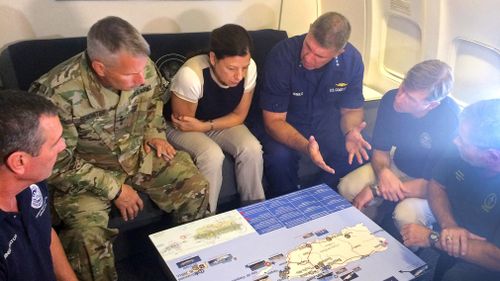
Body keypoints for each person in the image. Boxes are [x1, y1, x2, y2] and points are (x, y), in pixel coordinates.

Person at [29, 16, 209, 281]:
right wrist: (114, 189)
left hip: (137, 154)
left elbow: (153, 103)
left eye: (142, 69)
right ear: (100, 67)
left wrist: (154, 133)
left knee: (195, 186)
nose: (140, 78)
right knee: (86, 236)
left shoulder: (141, 66)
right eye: (130, 74)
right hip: (85, 175)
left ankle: (185, 268)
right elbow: (56, 163)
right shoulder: (56, 93)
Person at [258, 12, 371, 197]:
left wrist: (351, 131)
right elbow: (274, 121)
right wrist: (306, 147)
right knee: (279, 158)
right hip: (287, 123)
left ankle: (314, 197)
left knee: (362, 151)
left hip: (326, 123)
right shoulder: (282, 55)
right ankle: (288, 202)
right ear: (310, 29)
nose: (308, 58)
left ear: (338, 53)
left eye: (319, 55)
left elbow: (351, 109)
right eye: (308, 47)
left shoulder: (352, 60)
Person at [338, 60, 459, 229]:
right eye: (402, 88)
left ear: (431, 105)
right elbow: (381, 150)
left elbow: (434, 185)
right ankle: (366, 231)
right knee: (348, 187)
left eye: (410, 98)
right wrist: (384, 172)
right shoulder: (390, 99)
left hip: (429, 182)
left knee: (405, 215)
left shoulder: (450, 120)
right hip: (398, 163)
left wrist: (376, 190)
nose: (399, 98)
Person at [164, 24, 265, 212]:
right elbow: (184, 124)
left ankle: (255, 211)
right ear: (213, 58)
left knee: (251, 148)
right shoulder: (191, 75)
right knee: (211, 155)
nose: (239, 76)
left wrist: (206, 126)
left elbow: (239, 115)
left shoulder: (250, 69)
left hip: (213, 122)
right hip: (178, 126)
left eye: (243, 67)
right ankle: (205, 219)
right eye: (231, 68)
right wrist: (204, 127)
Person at [401, 99, 500, 281]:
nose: (456, 141)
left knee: (455, 277)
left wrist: (433, 238)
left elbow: (496, 257)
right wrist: (449, 226)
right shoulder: (461, 147)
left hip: (489, 254)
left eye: (462, 141)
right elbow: (437, 184)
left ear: (492, 156)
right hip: (457, 225)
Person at [0, 90, 77, 281]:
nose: (63, 146)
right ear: (19, 162)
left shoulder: (31, 181)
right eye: (55, 143)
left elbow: (43, 232)